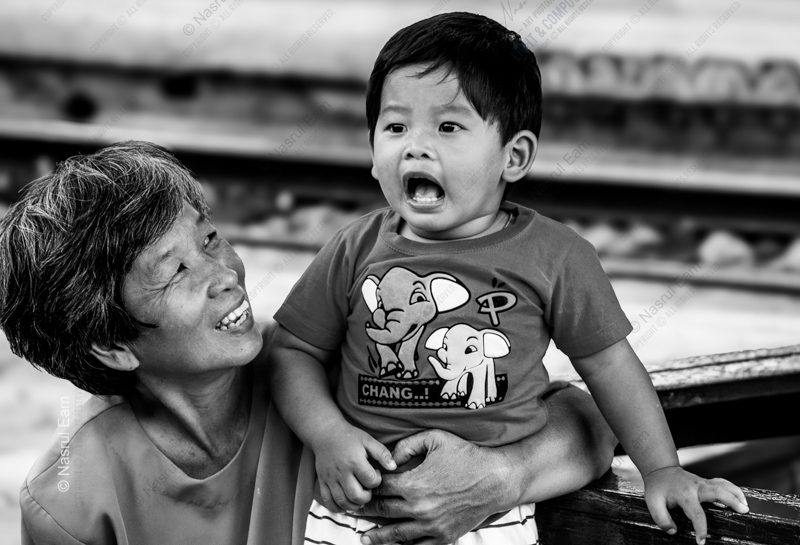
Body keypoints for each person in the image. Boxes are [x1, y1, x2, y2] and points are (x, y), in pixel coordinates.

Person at [269, 12, 750, 545]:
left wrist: (661, 469)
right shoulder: (353, 248)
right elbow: (293, 351)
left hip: (489, 517)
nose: (415, 146)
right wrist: (329, 434)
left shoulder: (556, 255)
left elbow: (610, 365)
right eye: (396, 127)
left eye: (448, 127)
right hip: (356, 513)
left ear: (513, 156)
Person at [1, 141, 619, 545]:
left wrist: (504, 477)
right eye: (176, 272)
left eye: (209, 239)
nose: (225, 274)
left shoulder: (327, 361)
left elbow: (586, 416)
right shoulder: (68, 501)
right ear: (112, 345)